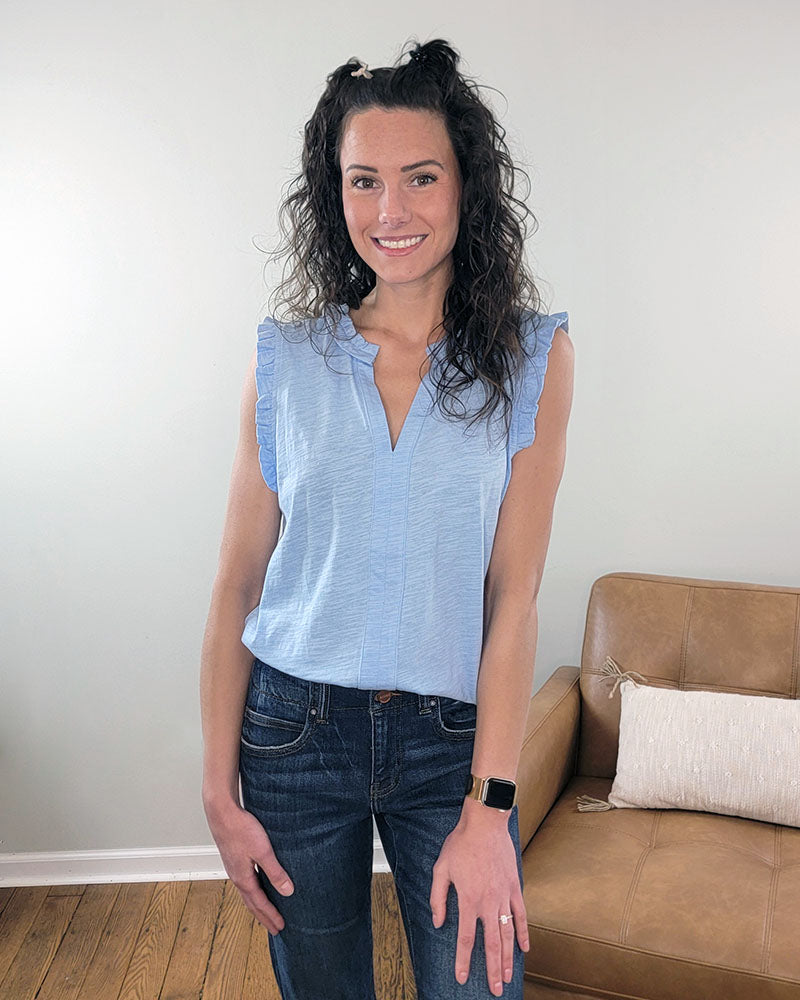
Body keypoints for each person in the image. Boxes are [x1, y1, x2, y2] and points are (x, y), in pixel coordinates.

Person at [200, 37, 574, 1000]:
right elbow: (240, 582)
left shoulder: (532, 358)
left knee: (479, 988)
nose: (391, 211)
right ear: (336, 194)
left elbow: (516, 595)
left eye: (420, 177)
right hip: (291, 734)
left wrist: (491, 808)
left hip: (452, 742)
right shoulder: (286, 358)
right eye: (364, 181)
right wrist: (215, 789)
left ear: (466, 187)